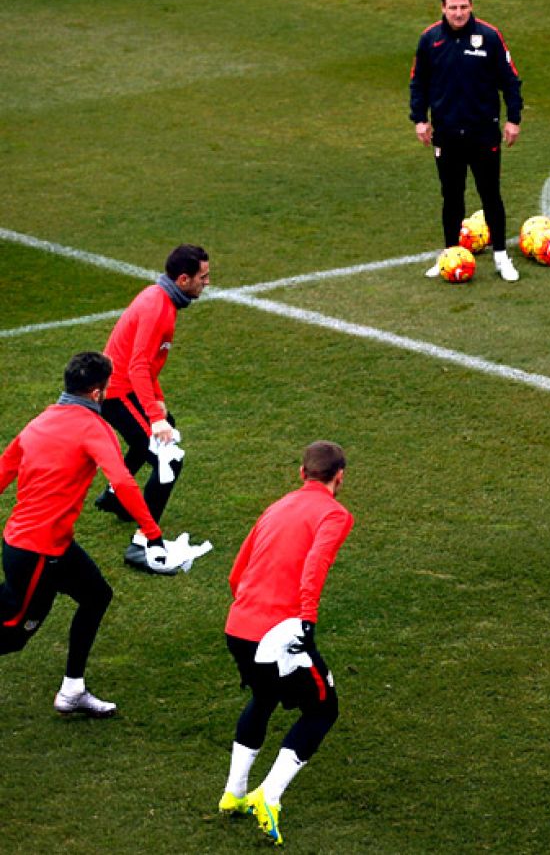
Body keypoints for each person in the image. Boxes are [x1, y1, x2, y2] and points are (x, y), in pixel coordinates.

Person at [0, 352, 169, 716]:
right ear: (96, 393)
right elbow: (121, 480)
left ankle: (72, 690)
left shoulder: (40, 421)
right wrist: (152, 532)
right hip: (38, 553)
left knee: (96, 595)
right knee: (13, 634)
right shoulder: (95, 428)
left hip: (42, 545)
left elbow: (3, 470)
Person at [218, 442, 353, 847]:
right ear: (340, 476)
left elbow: (237, 572)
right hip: (280, 634)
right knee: (323, 710)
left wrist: (250, 610)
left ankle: (233, 793)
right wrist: (306, 619)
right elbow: (316, 564)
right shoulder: (334, 514)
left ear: (301, 472)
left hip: (239, 626)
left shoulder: (275, 507)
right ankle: (268, 796)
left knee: (263, 697)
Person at [94, 244, 211, 569]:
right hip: (117, 393)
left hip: (121, 387)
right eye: (204, 277)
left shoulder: (160, 299)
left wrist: (157, 402)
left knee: (157, 431)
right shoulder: (158, 308)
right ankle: (143, 544)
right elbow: (137, 366)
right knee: (169, 456)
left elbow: (145, 363)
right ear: (184, 279)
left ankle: (117, 498)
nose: (207, 283)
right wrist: (155, 417)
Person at [411, 0, 524, 283]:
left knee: (490, 195)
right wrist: (419, 119)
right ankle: (451, 254)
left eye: (463, 7)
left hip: (483, 132)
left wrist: (514, 119)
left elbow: (510, 81)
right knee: (451, 197)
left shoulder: (489, 36)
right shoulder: (430, 39)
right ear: (443, 9)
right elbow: (418, 83)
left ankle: (501, 255)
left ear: (471, 6)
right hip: (447, 134)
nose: (458, 13)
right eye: (453, 8)